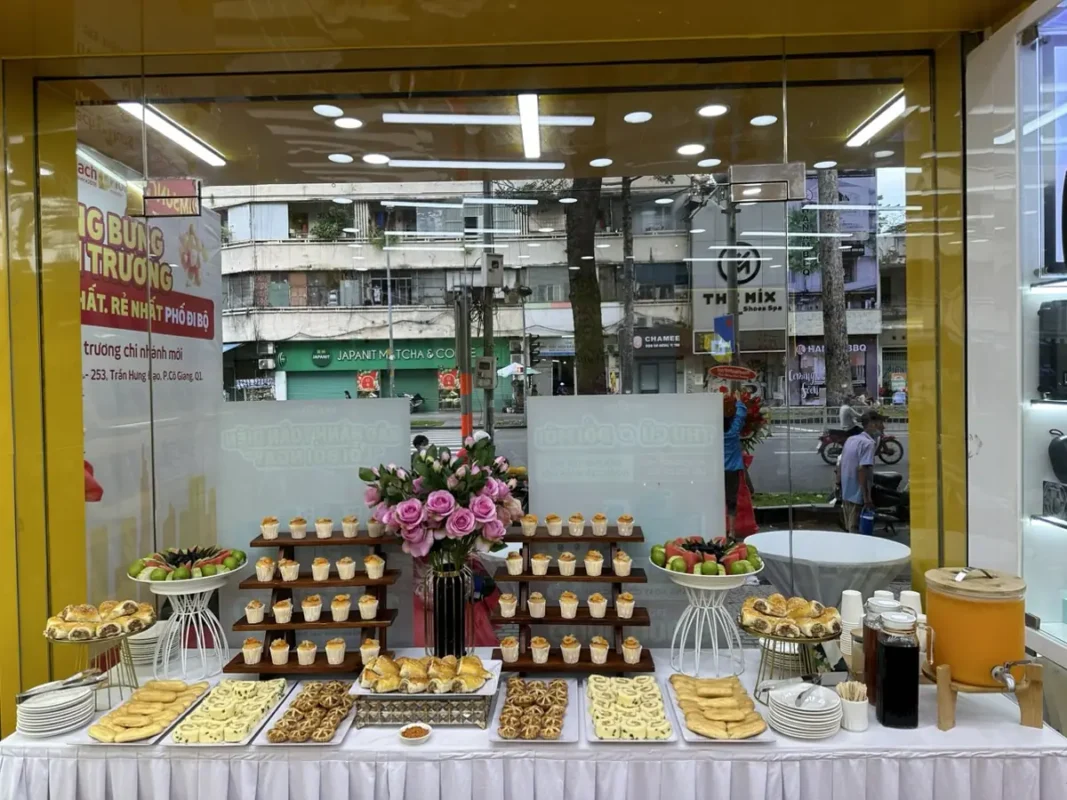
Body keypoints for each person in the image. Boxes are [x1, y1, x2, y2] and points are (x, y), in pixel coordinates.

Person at [838, 408, 886, 532]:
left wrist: (838, 484)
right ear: (873, 424)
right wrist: (867, 498)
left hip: (846, 493)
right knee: (857, 533)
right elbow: (862, 469)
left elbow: (840, 464)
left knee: (850, 529)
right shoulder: (868, 444)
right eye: (881, 424)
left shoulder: (851, 439)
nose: (883, 427)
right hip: (857, 495)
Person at [723, 393, 748, 540]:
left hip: (716, 471)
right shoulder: (733, 433)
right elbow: (740, 415)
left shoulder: (714, 433)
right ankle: (731, 531)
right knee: (731, 500)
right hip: (732, 471)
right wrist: (738, 401)